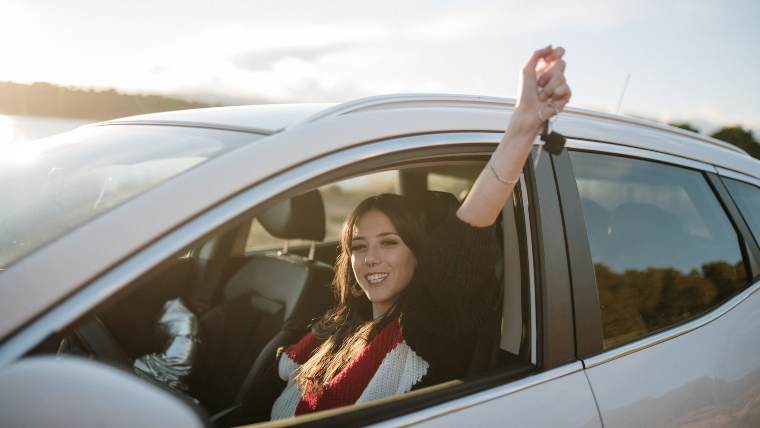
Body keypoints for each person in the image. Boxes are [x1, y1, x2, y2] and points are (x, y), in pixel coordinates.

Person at [270, 45, 572, 419]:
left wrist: (523, 127)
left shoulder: (428, 328)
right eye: (358, 246)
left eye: (389, 242)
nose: (370, 259)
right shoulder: (346, 319)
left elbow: (467, 232)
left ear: (419, 252)